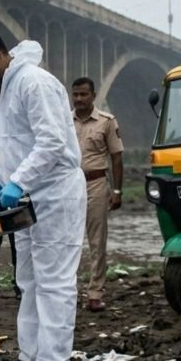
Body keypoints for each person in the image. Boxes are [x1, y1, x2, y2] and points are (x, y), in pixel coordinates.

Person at [0, 28, 85, 361]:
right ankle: (31, 357)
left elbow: (51, 142)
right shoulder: (1, 90)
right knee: (28, 280)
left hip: (56, 192)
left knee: (55, 281)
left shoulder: (35, 83)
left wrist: (19, 181)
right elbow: (15, 147)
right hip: (28, 195)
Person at [71, 77, 123, 312]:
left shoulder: (106, 122)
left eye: (83, 94)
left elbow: (116, 157)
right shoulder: (63, 122)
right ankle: (67, 291)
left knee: (96, 241)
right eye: (76, 94)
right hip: (69, 186)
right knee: (67, 242)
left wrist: (117, 190)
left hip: (95, 184)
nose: (79, 99)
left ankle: (95, 293)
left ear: (93, 95)